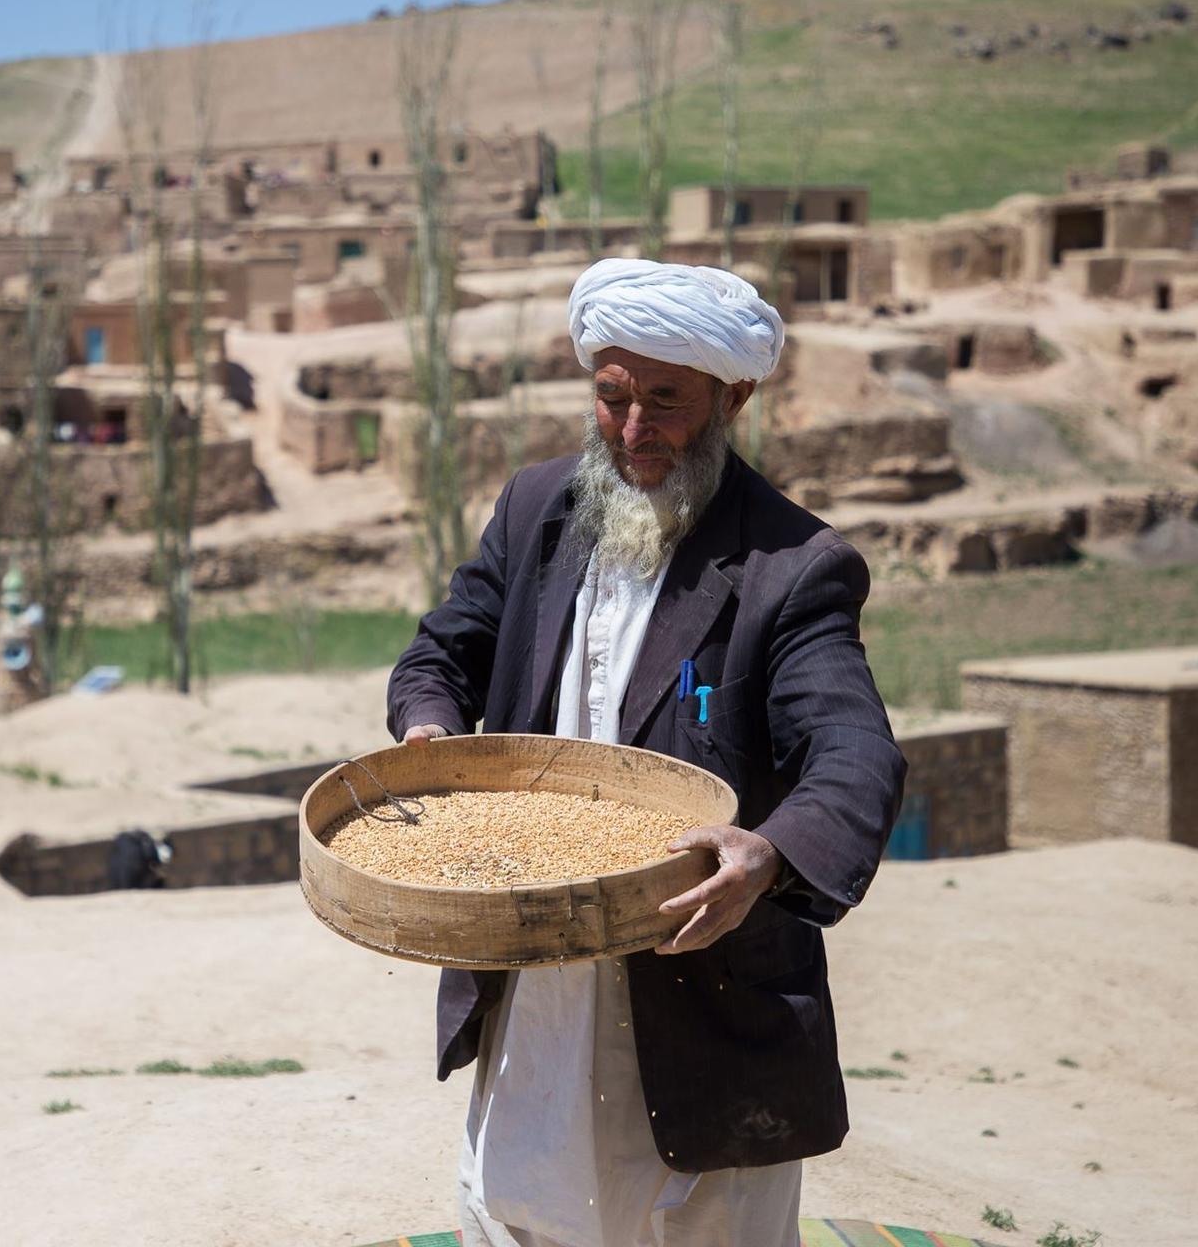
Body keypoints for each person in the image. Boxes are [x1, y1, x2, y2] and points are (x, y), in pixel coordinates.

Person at [386, 258, 908, 1247]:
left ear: (733, 395)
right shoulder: (540, 507)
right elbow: (445, 646)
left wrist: (769, 853)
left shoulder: (791, 567)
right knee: (521, 1212)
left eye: (666, 401)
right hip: (536, 979)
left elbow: (854, 754)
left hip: (697, 990)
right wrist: (430, 730)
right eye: (612, 395)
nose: (633, 431)